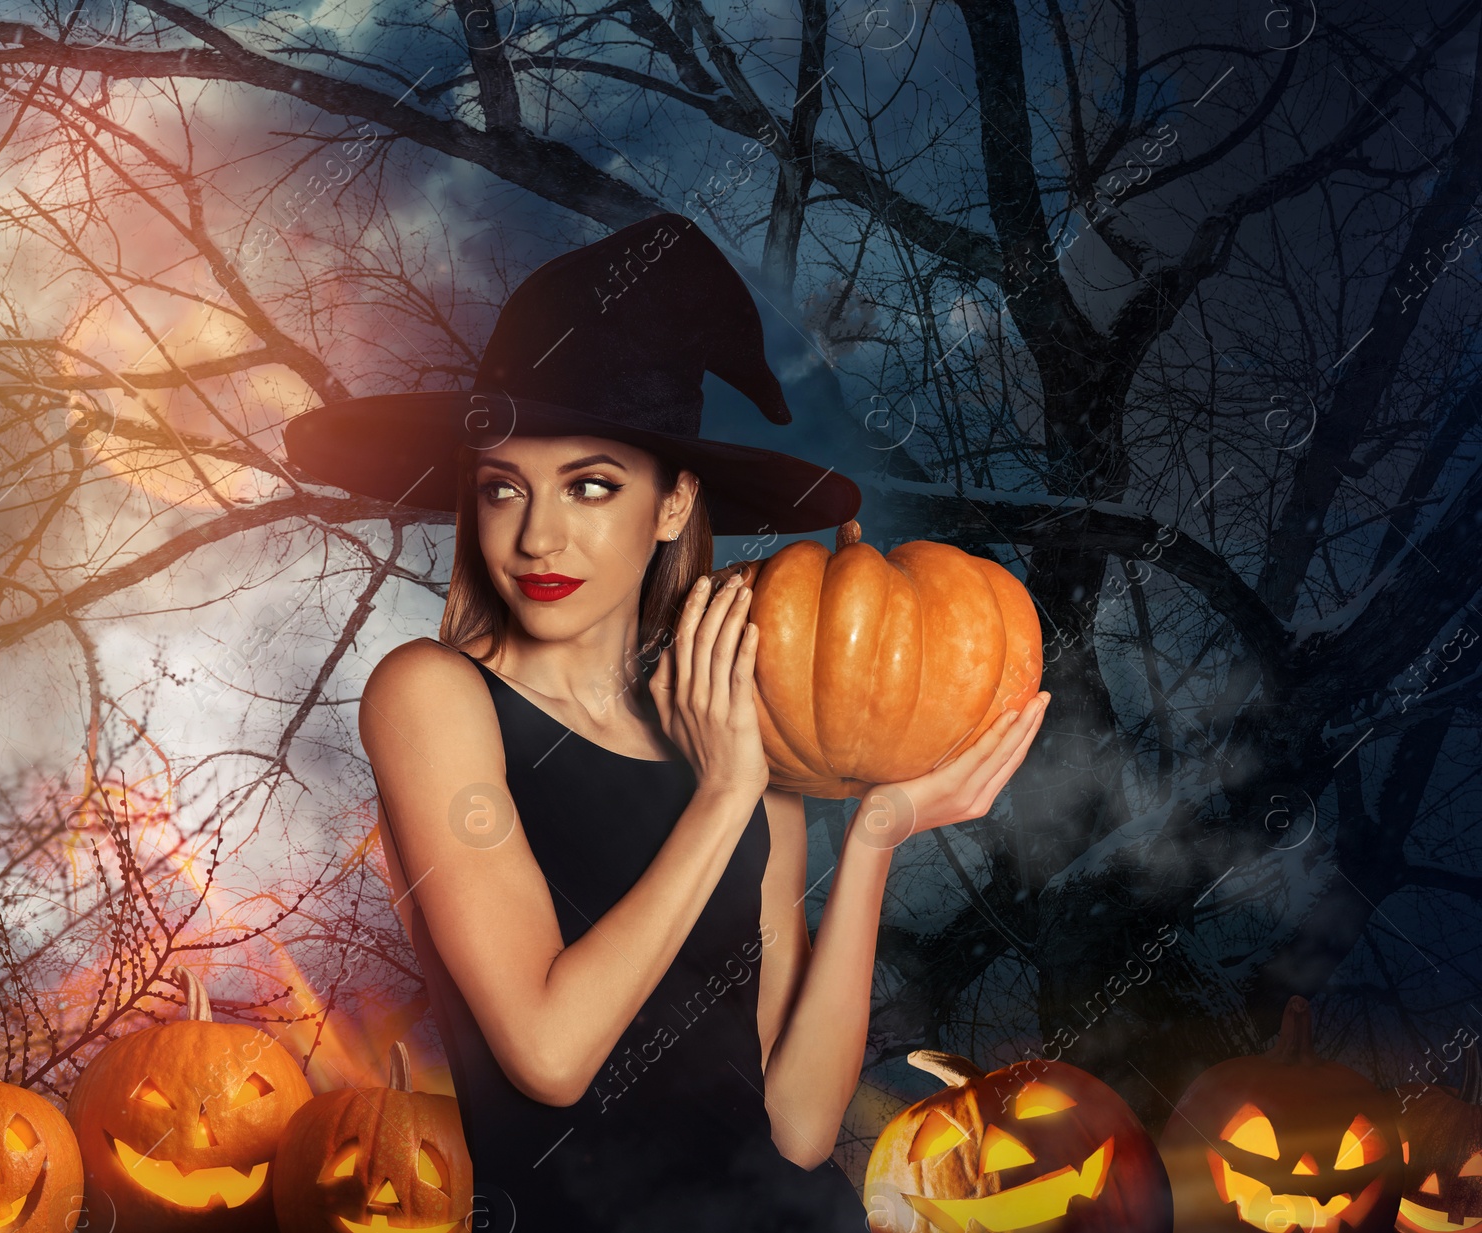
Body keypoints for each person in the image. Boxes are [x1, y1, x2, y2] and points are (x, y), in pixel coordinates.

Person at [283, 214, 1049, 1232]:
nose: (538, 533)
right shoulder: (431, 695)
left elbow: (800, 1126)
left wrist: (873, 837)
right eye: (503, 487)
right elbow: (550, 1058)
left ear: (675, 504)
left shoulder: (746, 726)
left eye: (591, 485)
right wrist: (725, 794)